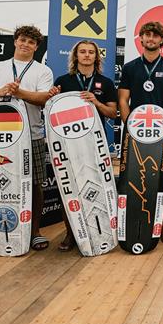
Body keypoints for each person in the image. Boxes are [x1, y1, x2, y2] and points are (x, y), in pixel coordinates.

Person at [0, 25, 54, 254]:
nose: (26, 44)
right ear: (15, 42)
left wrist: (18, 93)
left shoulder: (42, 71)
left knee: (36, 184)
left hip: (32, 135)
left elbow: (43, 99)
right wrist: (0, 92)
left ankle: (35, 232)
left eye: (31, 42)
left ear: (36, 47)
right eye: (23, 40)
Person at [48, 40, 118, 251]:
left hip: (95, 145)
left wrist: (96, 103)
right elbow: (51, 110)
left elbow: (113, 113)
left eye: (91, 53)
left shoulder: (105, 83)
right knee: (68, 188)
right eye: (82, 52)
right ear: (75, 56)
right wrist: (51, 97)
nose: (87, 55)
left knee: (98, 186)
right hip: (68, 145)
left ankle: (103, 231)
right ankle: (71, 233)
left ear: (96, 57)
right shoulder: (63, 81)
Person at [118, 21, 163, 244]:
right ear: (141, 39)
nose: (151, 39)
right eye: (147, 35)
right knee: (131, 178)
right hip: (136, 134)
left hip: (162, 134)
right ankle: (130, 224)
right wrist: (130, 126)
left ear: (162, 40)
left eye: (155, 35)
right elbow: (123, 100)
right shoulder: (130, 68)